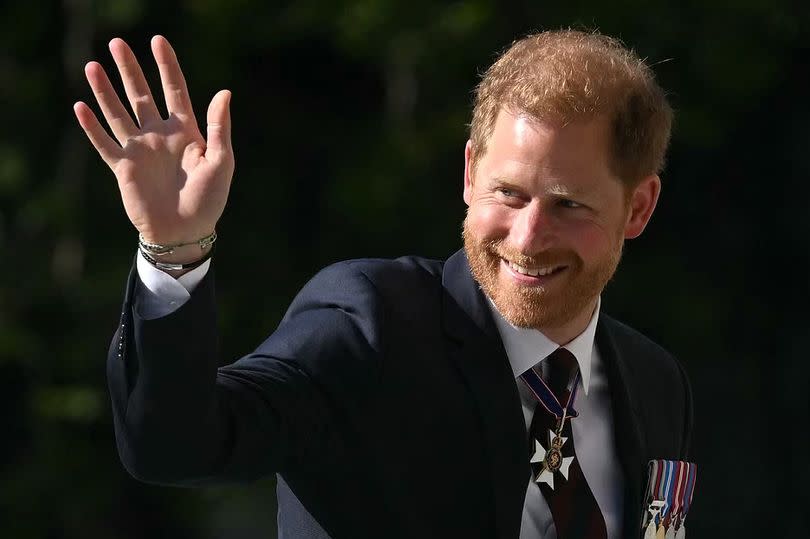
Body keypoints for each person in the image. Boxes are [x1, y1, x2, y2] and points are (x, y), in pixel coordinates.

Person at [74, 30, 693, 539]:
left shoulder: (656, 383)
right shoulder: (369, 324)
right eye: (508, 193)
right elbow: (176, 447)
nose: (529, 237)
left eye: (568, 205)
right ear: (472, 171)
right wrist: (175, 252)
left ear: (638, 208)